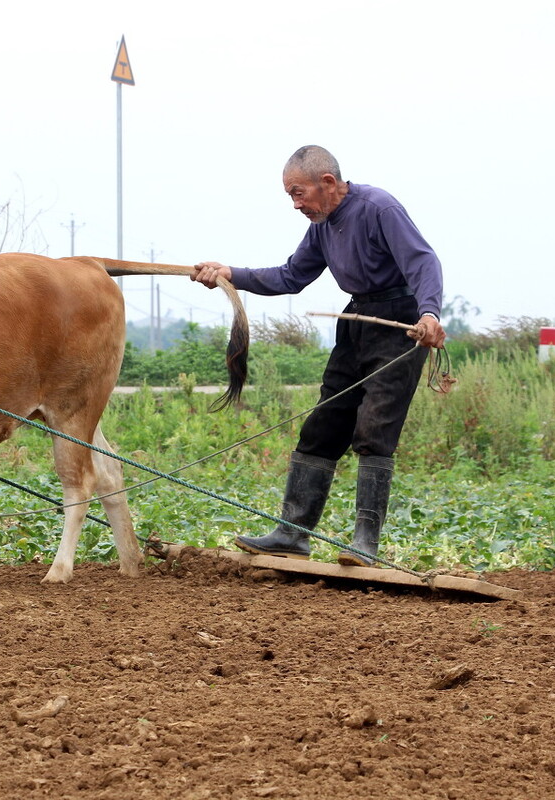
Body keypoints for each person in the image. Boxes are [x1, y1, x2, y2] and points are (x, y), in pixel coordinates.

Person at [191, 145, 446, 567]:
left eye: (299, 193)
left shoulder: (379, 208)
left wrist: (429, 312)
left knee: (374, 427)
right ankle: (293, 533)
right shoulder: (323, 225)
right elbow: (291, 276)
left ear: (328, 183)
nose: (296, 204)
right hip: (356, 321)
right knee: (323, 425)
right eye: (291, 196)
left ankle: (365, 544)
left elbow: (423, 261)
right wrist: (229, 273)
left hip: (401, 323)